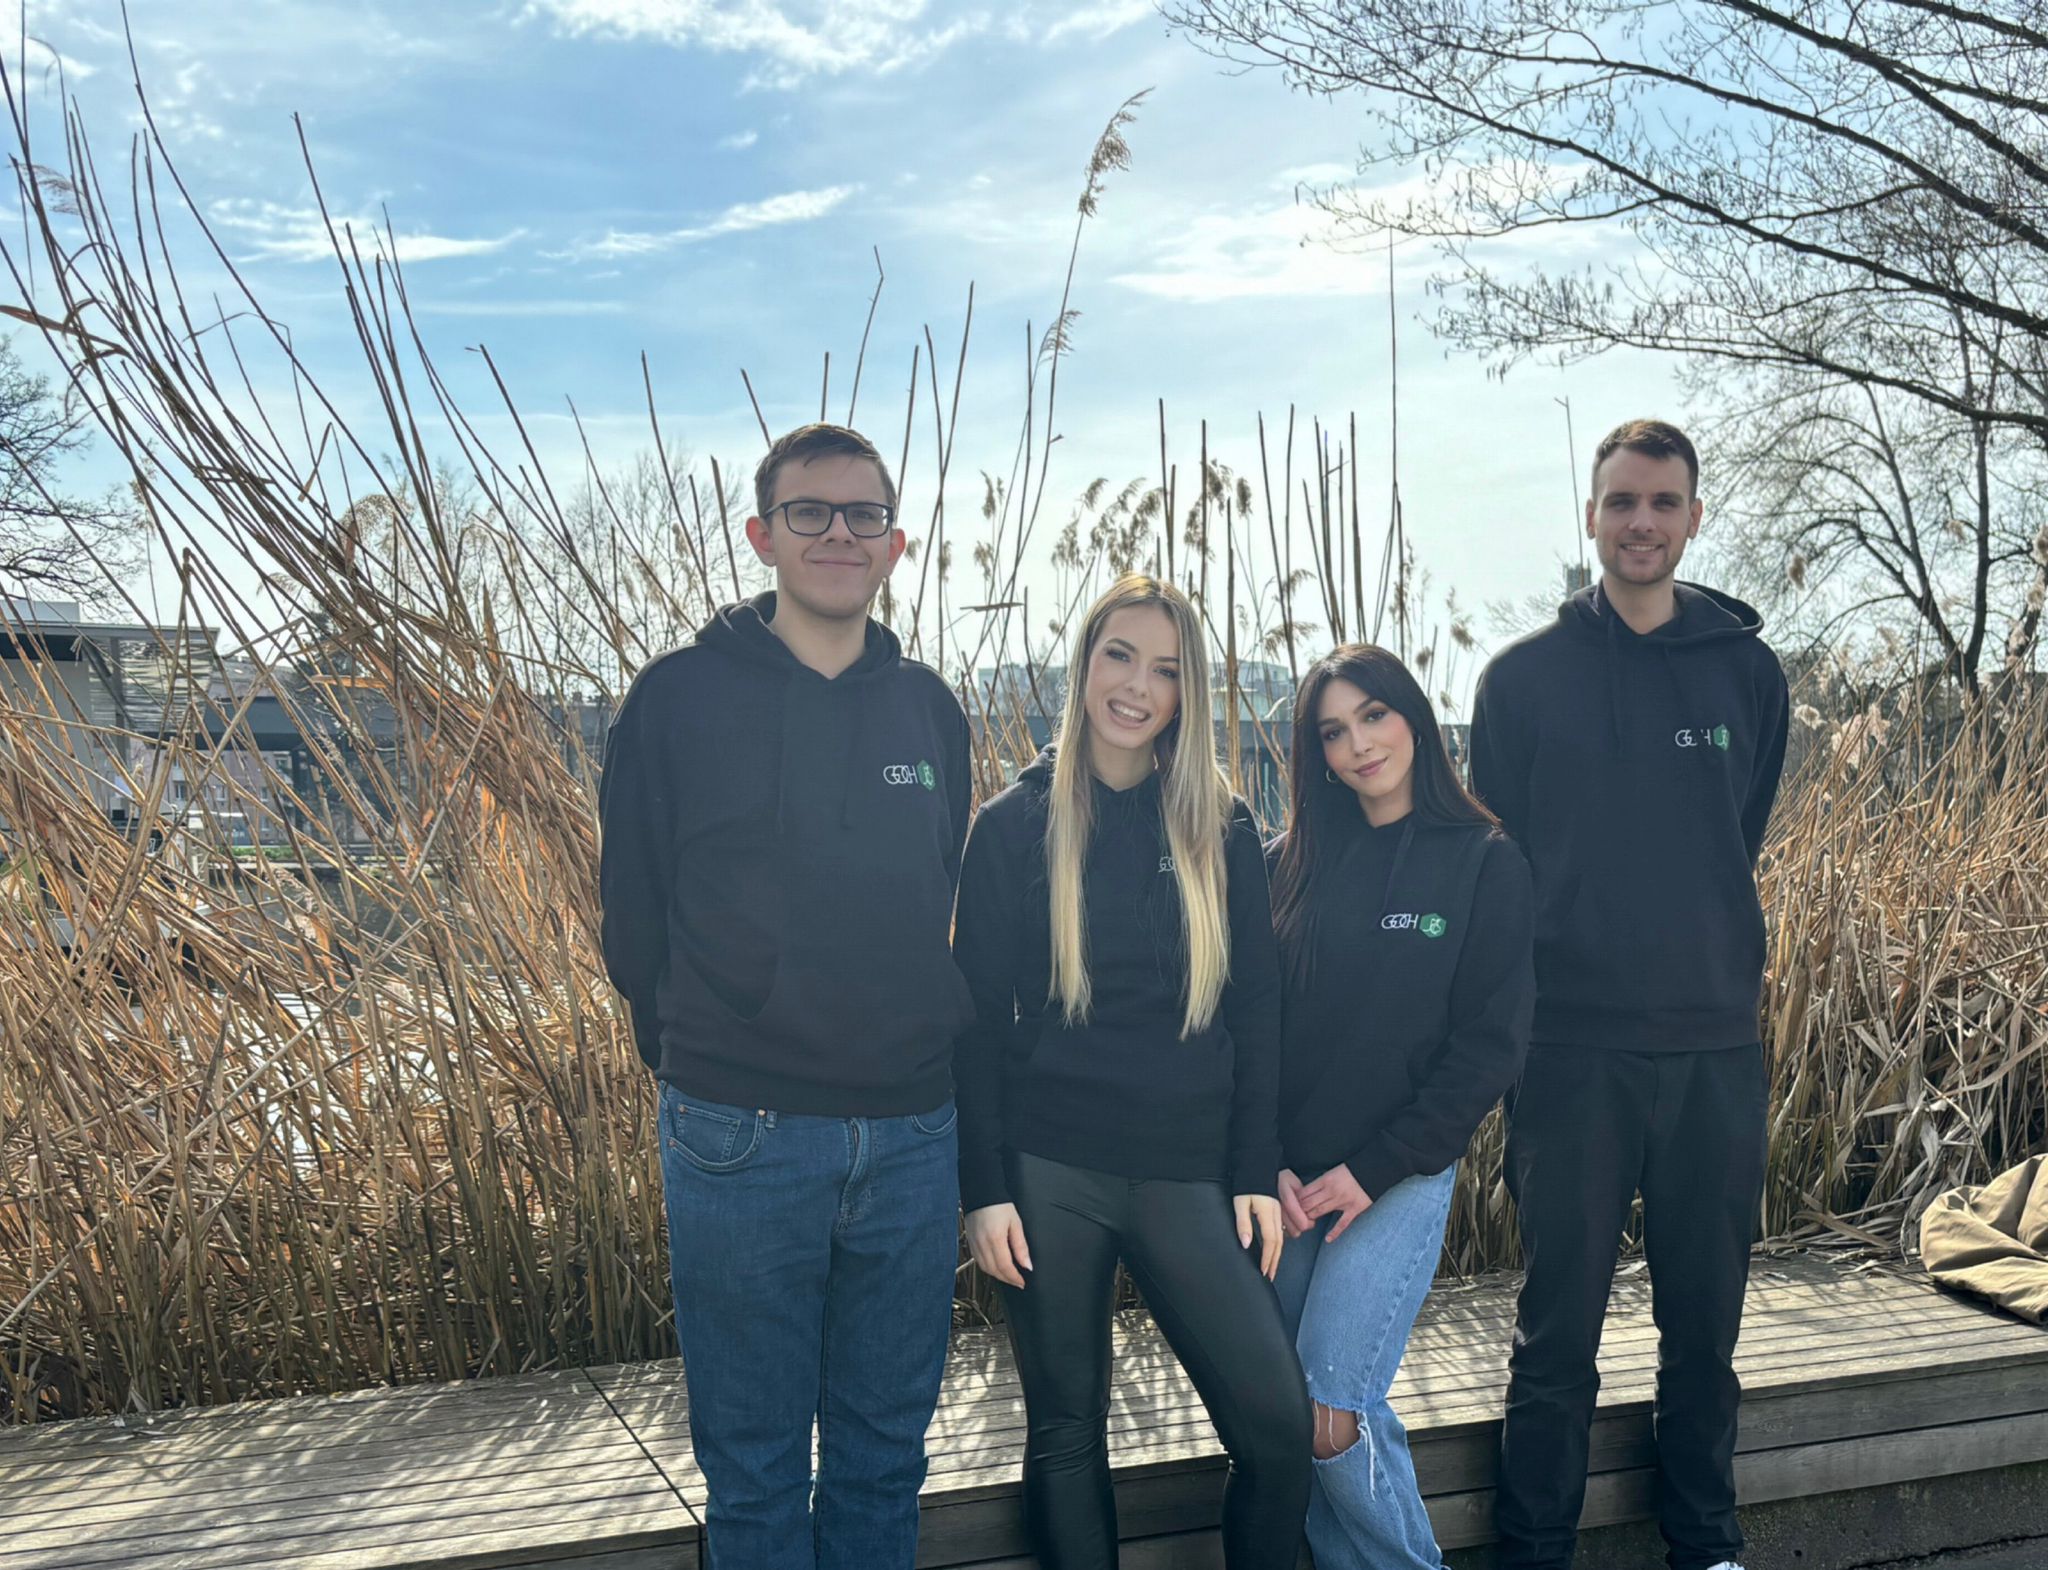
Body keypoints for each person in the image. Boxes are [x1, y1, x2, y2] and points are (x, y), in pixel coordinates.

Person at [597, 422, 974, 1570]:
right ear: (762, 534)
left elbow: (937, 895)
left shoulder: (931, 713)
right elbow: (632, 917)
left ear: (896, 544)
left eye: (863, 515)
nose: (837, 534)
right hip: (739, 1134)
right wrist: (704, 1060)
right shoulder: (674, 701)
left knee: (882, 1457)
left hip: (912, 1135)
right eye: (808, 512)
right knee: (754, 1468)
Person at [1472, 419, 1790, 1570]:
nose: (1639, 522)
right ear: (1590, 513)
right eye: (1619, 501)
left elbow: (1731, 834)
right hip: (1568, 1056)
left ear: (1693, 517)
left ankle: (1703, 1542)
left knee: (1702, 1327)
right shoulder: (1518, 681)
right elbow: (1498, 863)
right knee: (1554, 1332)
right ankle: (1531, 1548)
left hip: (1712, 1051)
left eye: (1661, 502)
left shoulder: (1747, 672)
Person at [952, 573, 1311, 1569]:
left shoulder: (1218, 826)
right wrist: (981, 1192)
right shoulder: (1010, 826)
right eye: (1119, 655)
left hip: (1186, 1171)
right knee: (1067, 1433)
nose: (1136, 686)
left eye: (1165, 668)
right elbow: (974, 1026)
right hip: (1047, 1173)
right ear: (1084, 663)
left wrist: (1252, 1170)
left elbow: (1255, 1009)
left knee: (1278, 1430)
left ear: (1187, 692)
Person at [1265, 643, 1534, 1570]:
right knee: (1288, 1413)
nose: (1358, 746)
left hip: (1399, 1173)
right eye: (1332, 732)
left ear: (1413, 716)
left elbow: (1487, 1051)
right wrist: (1267, 1166)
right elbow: (1248, 1033)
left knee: (1332, 1406)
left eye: (1373, 716)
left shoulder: (1484, 863)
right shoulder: (1289, 865)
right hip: (1288, 1185)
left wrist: (1371, 1170)